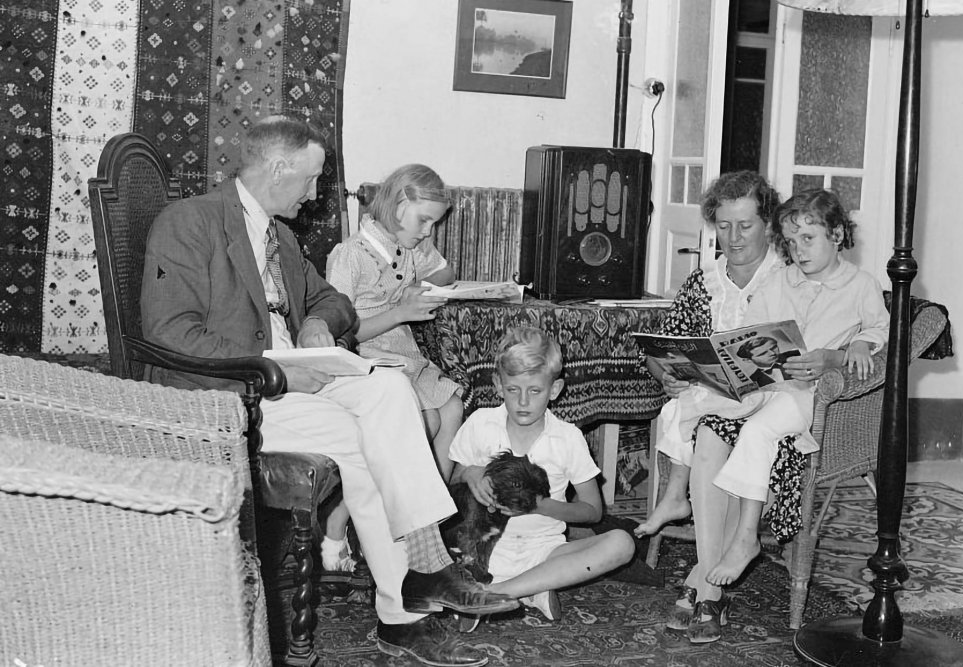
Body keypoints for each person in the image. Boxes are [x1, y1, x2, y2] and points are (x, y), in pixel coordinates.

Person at [140, 114, 516, 667]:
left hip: (292, 383)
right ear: (278, 167)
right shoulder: (190, 223)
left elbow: (331, 300)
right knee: (364, 438)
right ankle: (404, 610)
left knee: (391, 391)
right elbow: (169, 333)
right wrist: (277, 368)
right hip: (227, 394)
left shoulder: (279, 236)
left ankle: (425, 573)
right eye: (312, 178)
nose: (317, 194)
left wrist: (319, 322)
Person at [701, 188, 889, 591]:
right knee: (703, 412)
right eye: (791, 242)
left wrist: (849, 350)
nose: (799, 251)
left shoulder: (861, 285)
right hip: (771, 385)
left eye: (809, 238)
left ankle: (745, 536)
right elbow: (749, 332)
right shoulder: (779, 282)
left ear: (837, 235)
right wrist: (754, 354)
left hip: (813, 396)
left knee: (758, 430)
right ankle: (697, 509)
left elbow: (882, 331)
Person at [322, 164, 465, 571]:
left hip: (404, 356)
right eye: (424, 220)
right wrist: (402, 308)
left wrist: (430, 280)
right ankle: (344, 518)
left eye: (433, 224)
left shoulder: (408, 246)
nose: (427, 231)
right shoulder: (350, 256)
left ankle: (426, 513)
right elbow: (341, 330)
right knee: (425, 423)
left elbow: (445, 270)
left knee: (452, 407)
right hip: (365, 357)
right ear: (400, 202)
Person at [449, 326, 635, 630]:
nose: (523, 402)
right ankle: (531, 589)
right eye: (513, 390)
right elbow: (451, 487)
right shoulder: (481, 423)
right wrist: (471, 473)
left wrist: (537, 506)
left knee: (622, 543)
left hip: (545, 550)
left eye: (535, 391)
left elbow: (592, 511)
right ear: (497, 385)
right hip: (481, 548)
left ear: (554, 389)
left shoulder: (568, 438)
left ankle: (491, 595)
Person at [635, 171, 785, 539]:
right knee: (682, 407)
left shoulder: (787, 280)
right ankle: (696, 523)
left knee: (705, 424)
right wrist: (666, 374)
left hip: (771, 403)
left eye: (745, 226)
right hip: (709, 396)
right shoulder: (702, 282)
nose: (732, 238)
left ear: (768, 226)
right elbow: (661, 348)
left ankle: (711, 543)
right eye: (723, 226)